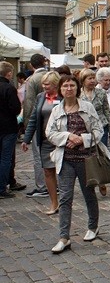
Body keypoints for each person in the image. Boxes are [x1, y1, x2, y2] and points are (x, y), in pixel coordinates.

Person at [45, 74, 105, 253]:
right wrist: (67, 137)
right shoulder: (57, 110)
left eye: (71, 85)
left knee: (89, 194)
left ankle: (93, 226)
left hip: (86, 159)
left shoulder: (87, 107)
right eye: (65, 86)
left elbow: (98, 129)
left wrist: (82, 139)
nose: (68, 89)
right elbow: (50, 132)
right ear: (60, 90)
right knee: (65, 198)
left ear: (76, 88)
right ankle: (64, 237)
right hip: (66, 159)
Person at [22, 71, 63, 214]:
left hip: (61, 140)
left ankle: (64, 201)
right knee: (48, 171)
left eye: (48, 84)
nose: (44, 86)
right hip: (45, 140)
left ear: (56, 84)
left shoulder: (63, 97)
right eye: (43, 84)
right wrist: (26, 139)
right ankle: (54, 203)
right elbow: (34, 118)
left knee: (64, 171)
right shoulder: (41, 97)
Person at [79, 68, 110, 196]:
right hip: (85, 129)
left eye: (94, 78)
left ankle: (101, 181)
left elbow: (107, 112)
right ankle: (91, 181)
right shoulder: (78, 95)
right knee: (88, 156)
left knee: (100, 154)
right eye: (89, 78)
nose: (93, 81)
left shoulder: (101, 93)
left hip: (101, 128)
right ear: (83, 81)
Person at [22, 53, 49, 198]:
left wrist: (27, 126)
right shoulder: (52, 76)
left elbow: (29, 103)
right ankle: (53, 184)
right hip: (51, 121)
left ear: (32, 65)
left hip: (38, 122)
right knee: (51, 154)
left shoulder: (32, 80)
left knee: (38, 156)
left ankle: (42, 186)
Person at [0, 62, 21, 198]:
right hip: (8, 127)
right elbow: (16, 109)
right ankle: (2, 187)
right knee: (6, 158)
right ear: (8, 74)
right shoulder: (9, 88)